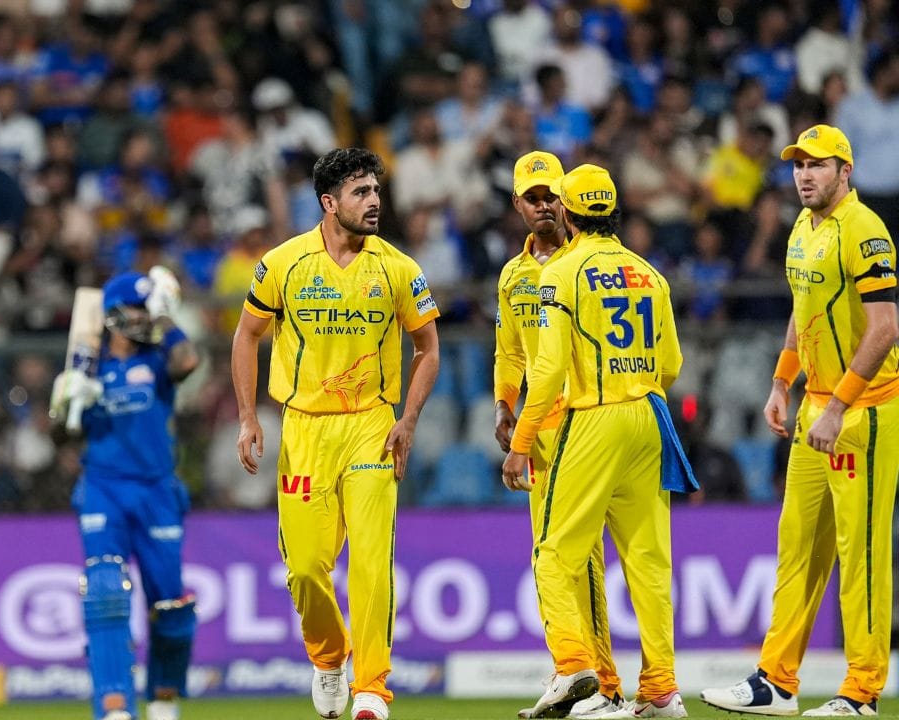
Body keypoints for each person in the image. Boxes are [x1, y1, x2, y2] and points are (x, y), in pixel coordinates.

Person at [231, 148, 441, 720]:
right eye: (360, 192)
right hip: (304, 429)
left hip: (372, 426)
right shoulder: (283, 263)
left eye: (376, 191)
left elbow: (427, 348)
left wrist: (408, 418)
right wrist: (248, 417)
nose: (374, 202)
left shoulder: (399, 268)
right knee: (304, 567)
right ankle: (329, 658)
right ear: (329, 202)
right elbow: (247, 335)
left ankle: (372, 687)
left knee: (372, 562)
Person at [701, 126, 899, 716]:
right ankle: (776, 681)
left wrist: (837, 407)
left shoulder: (864, 229)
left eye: (817, 165)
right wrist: (780, 382)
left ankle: (861, 691)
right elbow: (801, 308)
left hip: (864, 411)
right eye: (798, 165)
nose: (804, 175)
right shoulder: (802, 227)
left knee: (860, 553)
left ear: (845, 170)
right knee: (798, 547)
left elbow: (886, 328)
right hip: (816, 404)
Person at [502, 164, 693, 719]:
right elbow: (673, 364)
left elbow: (546, 369)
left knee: (553, 554)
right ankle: (661, 690)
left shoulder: (560, 273)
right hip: (650, 416)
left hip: (593, 418)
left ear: (567, 210)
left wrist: (521, 440)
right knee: (649, 561)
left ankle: (572, 665)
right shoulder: (650, 273)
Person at [493, 151, 623, 719]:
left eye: (552, 196)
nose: (544, 206)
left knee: (569, 556)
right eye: (534, 197)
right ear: (517, 204)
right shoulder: (513, 274)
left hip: (584, 421)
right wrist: (504, 405)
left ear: (567, 202)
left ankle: (595, 679)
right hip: (539, 428)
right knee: (568, 556)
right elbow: (510, 351)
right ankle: (592, 680)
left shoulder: (587, 261)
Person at [49, 267, 200, 720]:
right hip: (104, 489)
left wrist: (165, 315)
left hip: (157, 490)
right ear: (113, 314)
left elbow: (188, 362)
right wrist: (65, 402)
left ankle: (163, 699)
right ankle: (114, 703)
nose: (144, 317)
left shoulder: (157, 359)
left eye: (147, 309)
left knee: (170, 606)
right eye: (138, 309)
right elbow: (61, 437)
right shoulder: (87, 367)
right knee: (105, 591)